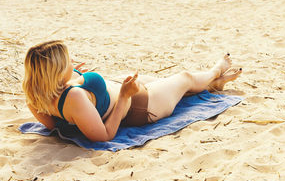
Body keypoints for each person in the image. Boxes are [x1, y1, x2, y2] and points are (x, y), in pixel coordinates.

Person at [23, 40, 242, 142]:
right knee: (184, 78)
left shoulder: (36, 97)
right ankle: (215, 71)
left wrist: (75, 80)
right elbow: (104, 136)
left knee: (170, 83)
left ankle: (213, 85)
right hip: (140, 105)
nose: (71, 61)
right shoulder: (75, 97)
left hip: (124, 92)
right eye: (67, 61)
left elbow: (57, 125)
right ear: (56, 71)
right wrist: (124, 97)